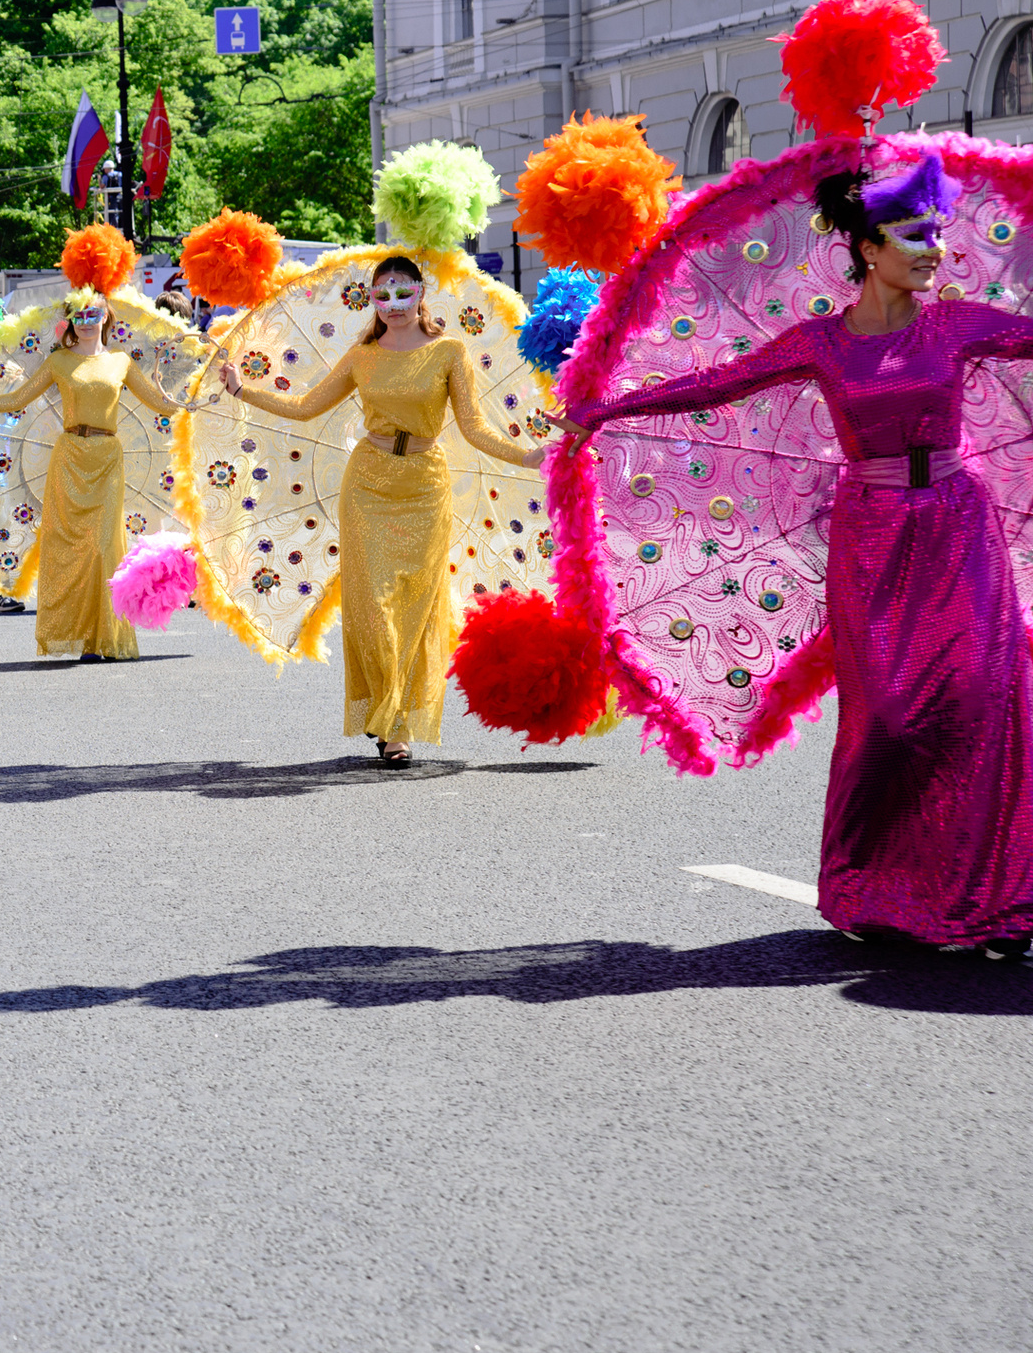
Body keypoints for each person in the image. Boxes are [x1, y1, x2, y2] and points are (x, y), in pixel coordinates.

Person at [563, 154, 1033, 958]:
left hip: (960, 525)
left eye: (938, 235)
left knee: (982, 700)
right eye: (915, 235)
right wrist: (606, 409)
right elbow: (719, 383)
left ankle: (999, 898)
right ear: (867, 249)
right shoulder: (820, 342)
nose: (934, 250)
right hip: (875, 533)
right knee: (888, 717)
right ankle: (874, 884)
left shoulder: (956, 325)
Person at [222, 254, 545, 762]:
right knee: (371, 606)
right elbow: (307, 408)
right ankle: (390, 717)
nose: (393, 304)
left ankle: (398, 720)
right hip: (368, 485)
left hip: (424, 486)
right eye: (382, 294)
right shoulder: (362, 356)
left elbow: (474, 428)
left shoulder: (448, 352)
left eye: (403, 292)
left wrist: (528, 456)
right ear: (371, 300)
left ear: (421, 293)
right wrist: (244, 391)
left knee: (414, 606)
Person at [0, 290, 183, 661]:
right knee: (68, 548)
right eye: (78, 315)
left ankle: (105, 637)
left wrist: (201, 399)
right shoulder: (60, 362)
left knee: (103, 547)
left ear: (106, 317)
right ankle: (77, 636)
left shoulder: (120, 361)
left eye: (93, 314)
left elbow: (160, 403)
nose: (86, 321)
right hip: (69, 459)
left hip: (108, 459)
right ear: (70, 322)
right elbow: (17, 400)